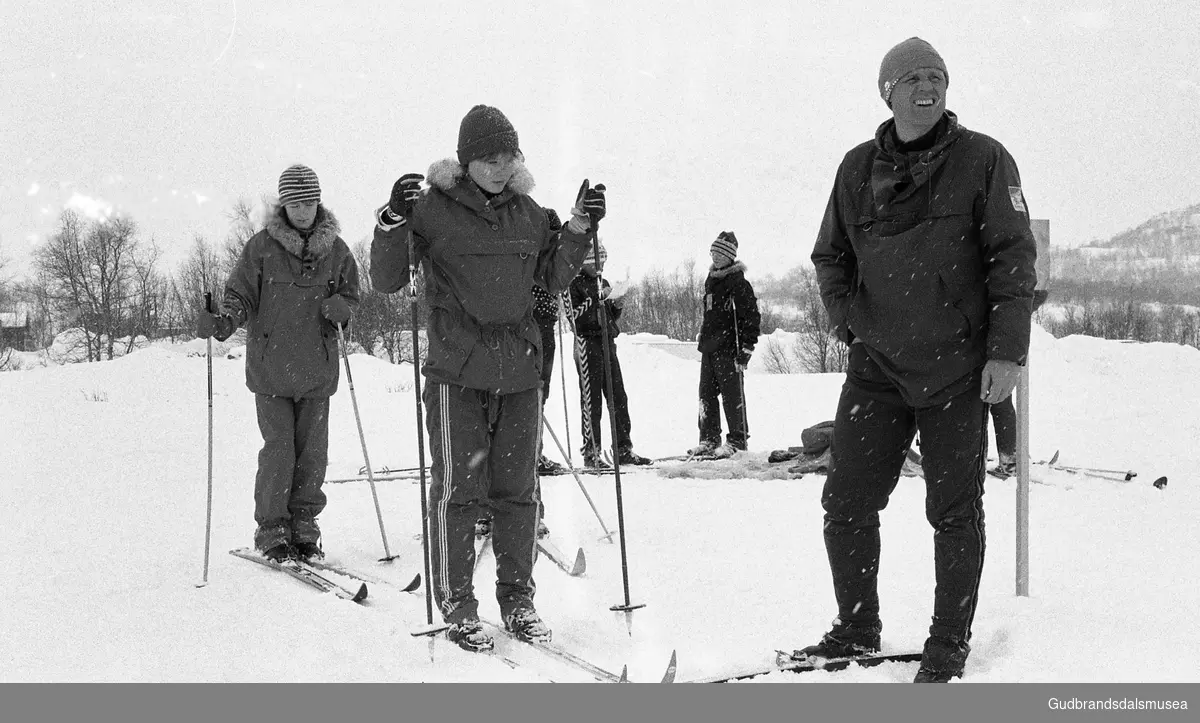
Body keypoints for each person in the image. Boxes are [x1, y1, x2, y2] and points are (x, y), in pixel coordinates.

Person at [805, 38, 1037, 683]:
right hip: (876, 367)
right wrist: (847, 320)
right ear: (888, 91)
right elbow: (831, 254)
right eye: (910, 78)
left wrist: (1007, 354)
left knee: (954, 512)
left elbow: (1013, 261)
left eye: (935, 76)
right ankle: (855, 626)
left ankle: (947, 644)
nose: (925, 86)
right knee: (846, 503)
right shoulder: (856, 168)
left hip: (957, 370)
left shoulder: (984, 160)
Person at [369, 105, 602, 652]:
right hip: (457, 373)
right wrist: (392, 221)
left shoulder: (528, 213)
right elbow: (384, 280)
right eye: (489, 159)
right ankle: (457, 603)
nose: (500, 168)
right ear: (466, 161)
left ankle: (518, 599)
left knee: (519, 494)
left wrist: (579, 228)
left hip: (520, 372)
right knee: (458, 492)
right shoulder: (431, 210)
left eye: (509, 158)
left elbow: (554, 276)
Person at [195, 164, 359, 563]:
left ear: (318, 202)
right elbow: (240, 296)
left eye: (309, 202)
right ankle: (272, 530)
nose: (302, 210)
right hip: (271, 371)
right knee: (279, 451)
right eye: (294, 202)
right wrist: (222, 321)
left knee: (312, 454)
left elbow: (352, 295)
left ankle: (304, 528)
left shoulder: (336, 249)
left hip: (317, 371)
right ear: (283, 204)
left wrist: (343, 309)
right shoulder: (261, 247)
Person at [567, 242, 651, 468]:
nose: (601, 266)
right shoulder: (572, 284)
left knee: (618, 397)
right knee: (591, 401)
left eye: (603, 261)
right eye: (597, 262)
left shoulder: (602, 282)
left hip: (607, 342)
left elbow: (608, 315)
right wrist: (595, 297)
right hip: (586, 343)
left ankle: (624, 448)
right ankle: (591, 452)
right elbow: (573, 316)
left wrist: (617, 305)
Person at [689, 231, 761, 459]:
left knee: (732, 396)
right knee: (706, 395)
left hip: (730, 347)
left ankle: (737, 440)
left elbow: (751, 317)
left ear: (730, 256)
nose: (716, 257)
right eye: (713, 252)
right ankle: (709, 439)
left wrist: (747, 348)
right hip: (709, 347)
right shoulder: (710, 280)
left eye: (721, 253)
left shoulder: (738, 283)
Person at [988, 289, 1050, 479]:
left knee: (993, 399)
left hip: (992, 342)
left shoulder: (1012, 281)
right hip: (999, 343)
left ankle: (1008, 458)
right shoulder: (1020, 277)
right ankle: (1010, 457)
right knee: (998, 399)